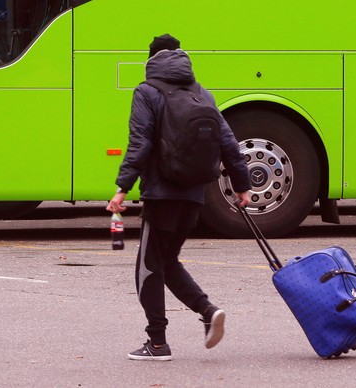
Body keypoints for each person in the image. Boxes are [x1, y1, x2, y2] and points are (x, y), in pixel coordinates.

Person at [106, 34, 252, 362]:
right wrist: (241, 185)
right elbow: (228, 143)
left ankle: (157, 343)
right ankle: (207, 311)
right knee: (166, 261)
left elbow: (140, 142)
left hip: (162, 194)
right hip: (194, 196)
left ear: (151, 61)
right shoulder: (203, 94)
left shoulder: (147, 92)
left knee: (147, 267)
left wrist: (121, 187)